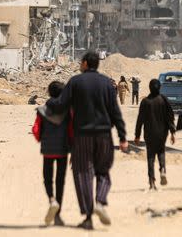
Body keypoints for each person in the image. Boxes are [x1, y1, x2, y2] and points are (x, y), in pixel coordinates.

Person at [46, 51, 128, 230]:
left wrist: (48, 104)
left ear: (84, 64)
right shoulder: (107, 83)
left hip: (82, 136)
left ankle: (88, 216)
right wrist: (122, 137)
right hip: (104, 135)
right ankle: (100, 201)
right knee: (103, 171)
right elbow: (115, 111)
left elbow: (61, 104)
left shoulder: (75, 82)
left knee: (82, 174)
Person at [32, 81, 72, 226]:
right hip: (63, 150)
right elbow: (71, 130)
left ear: (49, 92)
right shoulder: (67, 110)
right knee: (60, 180)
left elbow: (36, 129)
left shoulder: (42, 110)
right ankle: (58, 215)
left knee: (47, 178)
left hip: (47, 150)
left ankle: (51, 199)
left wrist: (41, 140)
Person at [134, 79, 176, 190]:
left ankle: (151, 181)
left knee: (150, 157)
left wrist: (137, 135)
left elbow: (140, 120)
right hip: (162, 133)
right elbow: (170, 117)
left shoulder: (145, 102)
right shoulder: (163, 100)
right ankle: (162, 170)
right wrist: (172, 132)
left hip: (149, 134)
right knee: (161, 152)